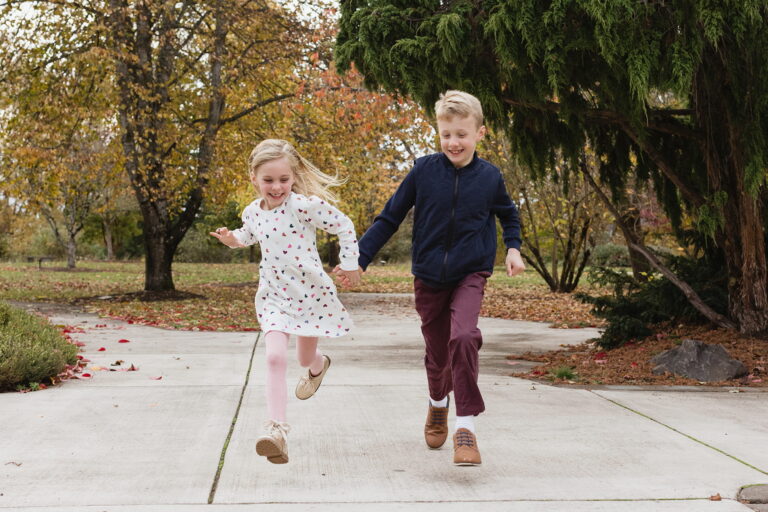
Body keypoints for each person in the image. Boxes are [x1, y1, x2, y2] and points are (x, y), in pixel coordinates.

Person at [336, 90, 525, 466]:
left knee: (464, 336)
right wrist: (358, 259)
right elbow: (389, 218)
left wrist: (514, 248)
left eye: (461, 134)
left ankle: (465, 427)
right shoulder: (423, 171)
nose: (453, 142)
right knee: (438, 355)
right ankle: (438, 403)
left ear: (480, 133)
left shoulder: (490, 177)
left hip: (471, 272)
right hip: (428, 276)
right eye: (446, 134)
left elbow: (509, 215)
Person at [211, 139, 361, 464]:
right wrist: (231, 238)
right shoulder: (252, 211)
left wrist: (350, 262)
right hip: (274, 296)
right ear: (254, 178)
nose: (277, 187)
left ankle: (319, 365)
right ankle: (276, 430)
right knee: (275, 358)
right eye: (268, 180)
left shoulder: (304, 206)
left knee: (304, 358)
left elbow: (345, 226)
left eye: (283, 179)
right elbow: (247, 234)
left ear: (293, 177)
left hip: (308, 295)